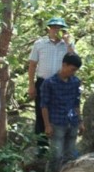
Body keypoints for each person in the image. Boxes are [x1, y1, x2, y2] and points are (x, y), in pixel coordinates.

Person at [28, 17, 76, 157]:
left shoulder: (67, 45)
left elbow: (74, 62)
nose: (57, 30)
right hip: (43, 83)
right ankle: (42, 149)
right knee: (41, 113)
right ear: (48, 28)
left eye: (60, 28)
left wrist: (68, 43)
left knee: (60, 114)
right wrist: (31, 85)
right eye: (54, 27)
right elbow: (32, 65)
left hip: (62, 84)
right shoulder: (40, 43)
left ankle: (59, 149)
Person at [40, 53, 85, 172]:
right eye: (72, 69)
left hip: (72, 122)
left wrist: (80, 121)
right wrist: (47, 125)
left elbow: (76, 103)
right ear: (64, 65)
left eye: (76, 70)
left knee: (69, 156)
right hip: (56, 122)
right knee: (56, 155)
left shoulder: (75, 82)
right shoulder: (49, 83)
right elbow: (44, 105)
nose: (73, 72)